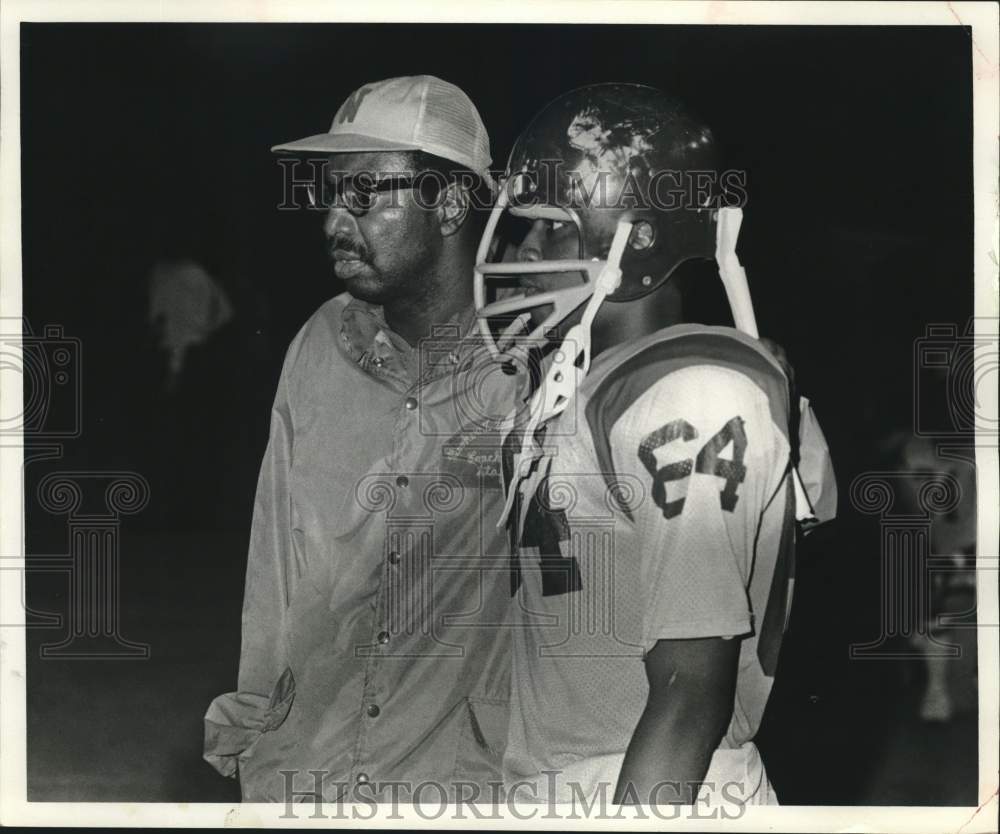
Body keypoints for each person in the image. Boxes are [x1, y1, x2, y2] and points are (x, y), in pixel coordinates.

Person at [473, 83, 837, 806]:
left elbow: (689, 688)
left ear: (631, 237)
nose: (521, 250)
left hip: (656, 784)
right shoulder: (583, 385)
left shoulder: (693, 392)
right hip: (571, 781)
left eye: (546, 228)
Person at [203, 75, 527, 803]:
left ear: (447, 203)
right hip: (305, 773)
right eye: (330, 193)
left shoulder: (531, 360)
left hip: (458, 786)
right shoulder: (321, 342)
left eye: (365, 195)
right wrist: (256, 729)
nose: (332, 220)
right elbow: (276, 557)